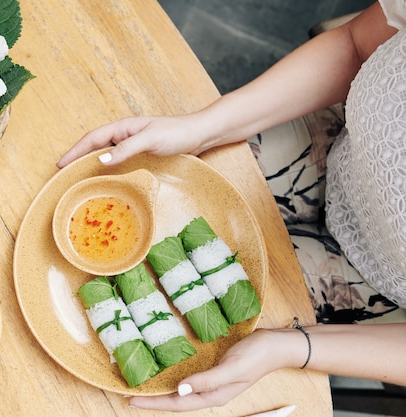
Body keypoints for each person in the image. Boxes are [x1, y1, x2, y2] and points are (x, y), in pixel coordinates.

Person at [56, 1, 406, 412]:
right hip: (342, 146)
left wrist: (287, 347)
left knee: (229, 338)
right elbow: (356, 44)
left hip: (377, 278)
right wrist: (200, 129)